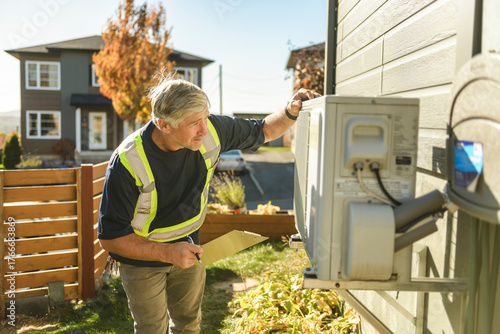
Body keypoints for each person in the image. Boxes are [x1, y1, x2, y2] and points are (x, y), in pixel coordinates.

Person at [98, 74, 321, 334]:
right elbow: (111, 238)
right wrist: (168, 253)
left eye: (206, 117)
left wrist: (290, 111)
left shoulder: (211, 129)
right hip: (142, 259)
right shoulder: (127, 162)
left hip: (190, 249)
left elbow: (264, 130)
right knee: (151, 329)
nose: (204, 130)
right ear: (164, 125)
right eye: (194, 123)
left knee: (189, 326)